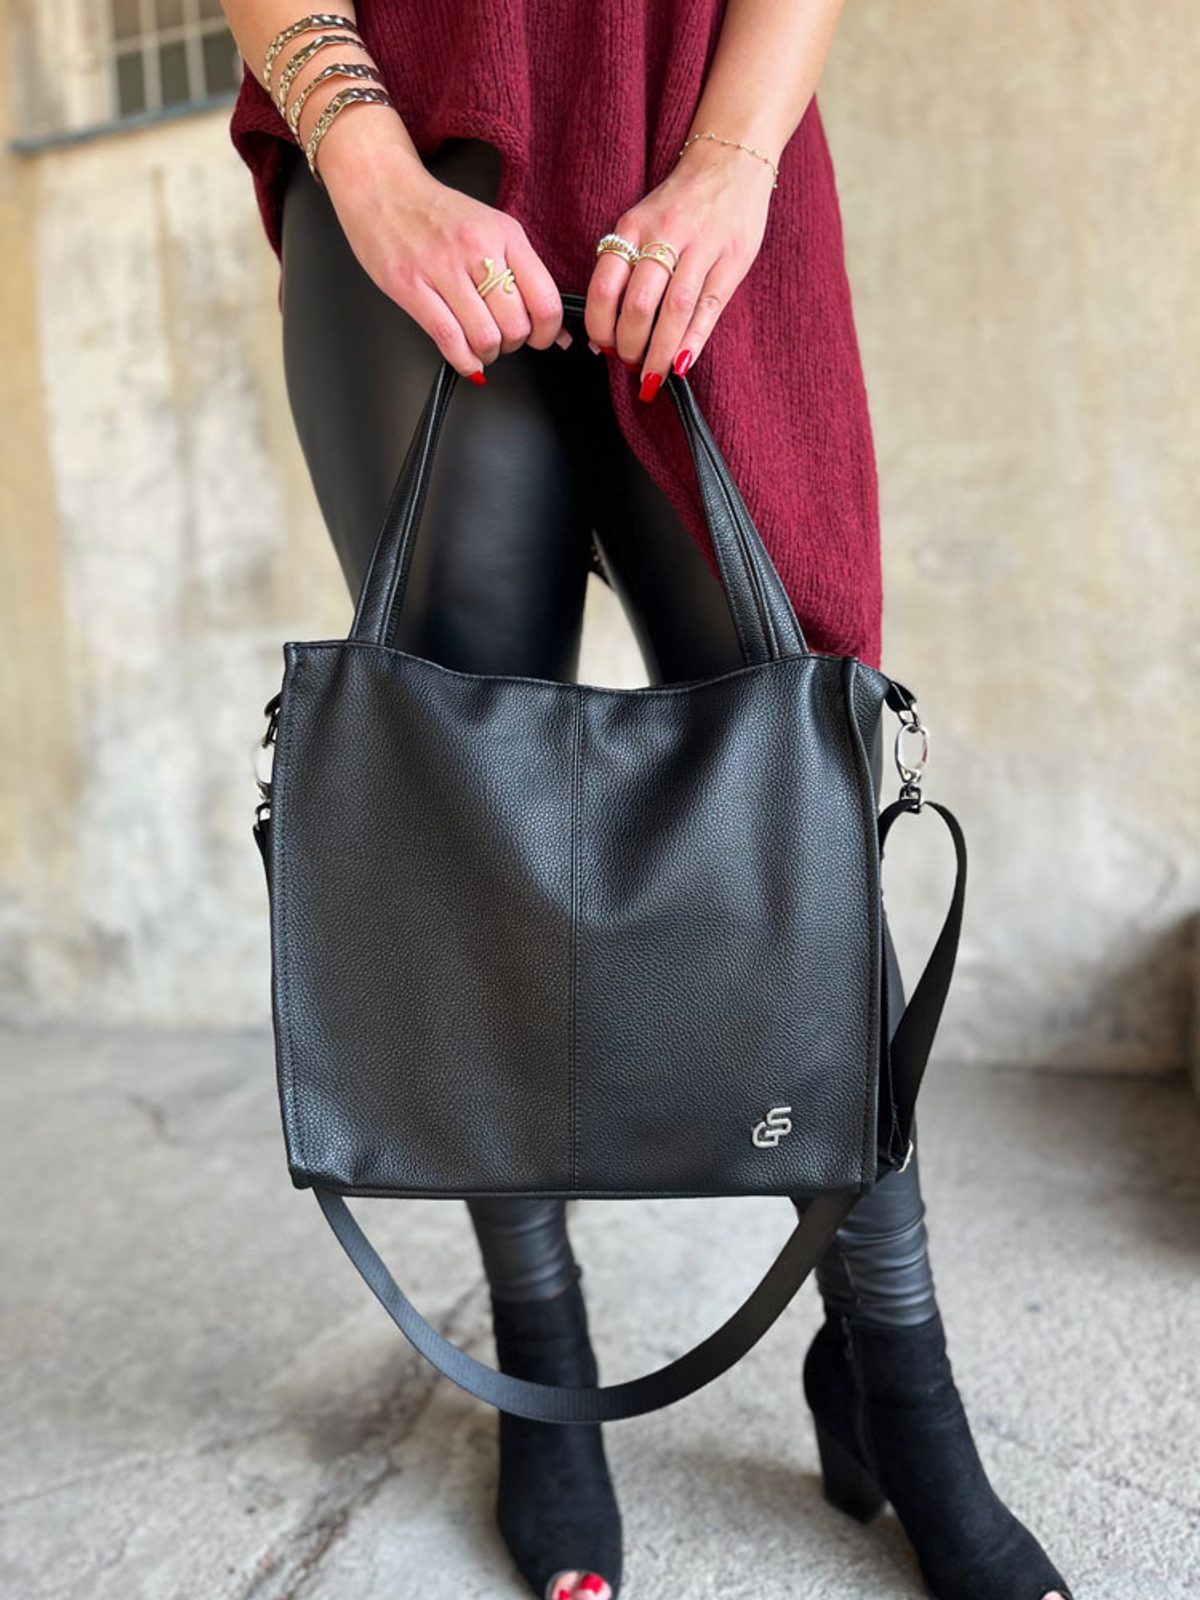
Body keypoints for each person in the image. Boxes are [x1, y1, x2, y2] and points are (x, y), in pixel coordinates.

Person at [224, 6, 1073, 1599]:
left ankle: (898, 1382)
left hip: (697, 123)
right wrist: (366, 162)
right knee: (471, 818)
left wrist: (736, 161)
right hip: (407, 149)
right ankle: (543, 1362)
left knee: (793, 808)